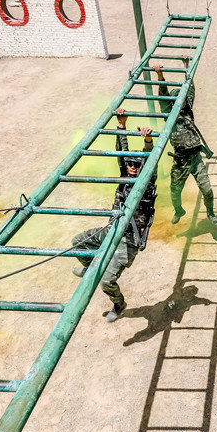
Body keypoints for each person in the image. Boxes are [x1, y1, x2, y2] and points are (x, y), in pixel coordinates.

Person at [71, 108, 156, 323]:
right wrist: (121, 125)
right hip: (112, 229)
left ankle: (119, 304)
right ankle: (89, 268)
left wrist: (147, 142)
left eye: (137, 164)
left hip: (128, 238)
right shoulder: (125, 175)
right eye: (130, 164)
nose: (132, 167)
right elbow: (122, 152)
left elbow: (151, 162)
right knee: (78, 243)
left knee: (106, 281)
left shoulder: (146, 182)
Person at [153, 58, 217, 225]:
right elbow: (162, 95)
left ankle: (210, 213)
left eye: (183, 100)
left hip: (195, 158)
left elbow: (190, 88)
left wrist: (186, 66)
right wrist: (160, 74)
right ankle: (179, 210)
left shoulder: (188, 109)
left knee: (207, 190)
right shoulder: (169, 113)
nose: (182, 103)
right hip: (180, 160)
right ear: (172, 103)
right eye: (178, 101)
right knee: (174, 191)